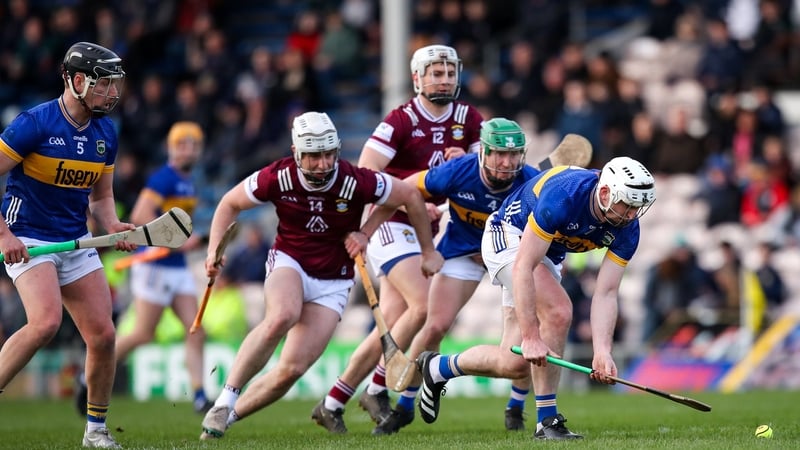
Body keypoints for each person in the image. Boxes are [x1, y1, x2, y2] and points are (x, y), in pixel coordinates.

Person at [198, 111, 443, 440]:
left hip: (334, 280)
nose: (323, 164)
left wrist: (373, 235)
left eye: (329, 154)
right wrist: (213, 250)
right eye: (313, 156)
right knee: (282, 315)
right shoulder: (278, 177)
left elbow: (409, 196)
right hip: (291, 261)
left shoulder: (355, 180)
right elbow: (230, 203)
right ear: (297, 152)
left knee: (291, 370)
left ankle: (224, 422)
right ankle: (223, 402)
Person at [359, 119, 592, 435]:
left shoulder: (530, 180)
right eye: (499, 154)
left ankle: (516, 405)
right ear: (483, 152)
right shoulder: (458, 171)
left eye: (514, 155)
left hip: (513, 256)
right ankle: (405, 405)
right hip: (464, 253)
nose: (507, 163)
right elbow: (401, 191)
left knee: (532, 329)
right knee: (435, 325)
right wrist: (371, 230)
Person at [415, 156, 657, 440]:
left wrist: (602, 351)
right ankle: (547, 421)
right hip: (509, 235)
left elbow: (606, 292)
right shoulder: (565, 196)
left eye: (637, 208)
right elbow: (523, 266)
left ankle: (438, 367)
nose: (631, 215)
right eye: (627, 205)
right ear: (605, 193)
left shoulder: (628, 228)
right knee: (559, 311)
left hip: (546, 254)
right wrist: (531, 336)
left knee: (513, 364)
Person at [312, 44, 483, 434]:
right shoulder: (400, 120)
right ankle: (376, 389)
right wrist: (414, 199)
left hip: (428, 230)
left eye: (450, 73)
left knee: (389, 324)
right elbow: (366, 172)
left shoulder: (470, 119)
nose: (445, 80)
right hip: (391, 223)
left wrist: (461, 167)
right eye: (436, 73)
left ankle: (333, 402)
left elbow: (481, 179)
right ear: (417, 78)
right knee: (423, 306)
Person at [0, 41, 134, 448]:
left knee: (104, 336)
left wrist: (112, 225)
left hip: (75, 241)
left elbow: (102, 196)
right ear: (77, 81)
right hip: (27, 236)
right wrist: (4, 235)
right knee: (45, 323)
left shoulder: (105, 132)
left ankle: (95, 430)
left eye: (114, 84)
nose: (112, 92)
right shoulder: (35, 124)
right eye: (103, 83)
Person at [113, 121, 211, 413]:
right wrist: (177, 241)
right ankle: (90, 371)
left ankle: (199, 395)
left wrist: (189, 242)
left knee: (196, 330)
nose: (188, 150)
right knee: (144, 333)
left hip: (177, 267)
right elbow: (140, 215)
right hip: (155, 266)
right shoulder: (163, 179)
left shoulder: (189, 181)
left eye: (193, 145)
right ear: (171, 148)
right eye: (182, 144)